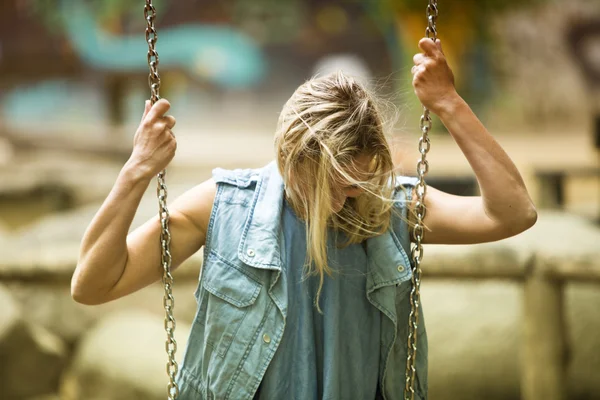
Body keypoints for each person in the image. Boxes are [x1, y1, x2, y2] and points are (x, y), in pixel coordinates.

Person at [71, 38, 537, 400]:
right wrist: (136, 173)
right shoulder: (223, 207)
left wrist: (449, 104)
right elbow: (93, 285)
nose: (339, 203)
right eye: (325, 186)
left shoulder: (389, 209)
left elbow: (513, 212)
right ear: (289, 159)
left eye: (352, 184)